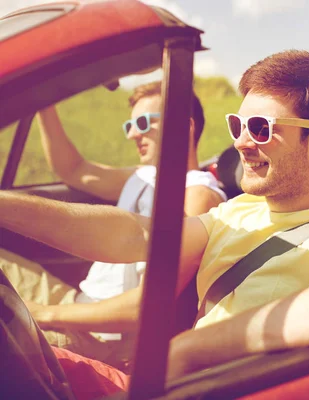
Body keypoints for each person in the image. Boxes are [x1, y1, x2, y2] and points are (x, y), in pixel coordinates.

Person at [0, 50, 309, 396]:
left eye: (262, 128)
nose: (242, 142)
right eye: (238, 124)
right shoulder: (239, 209)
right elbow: (141, 235)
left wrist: (191, 348)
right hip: (158, 383)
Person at [0, 81, 226, 366]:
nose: (132, 134)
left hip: (101, 340)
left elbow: (146, 306)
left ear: (184, 127)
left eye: (143, 123)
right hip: (75, 303)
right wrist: (46, 103)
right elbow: (73, 170)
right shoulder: (143, 175)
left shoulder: (199, 197)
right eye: (129, 125)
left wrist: (44, 313)